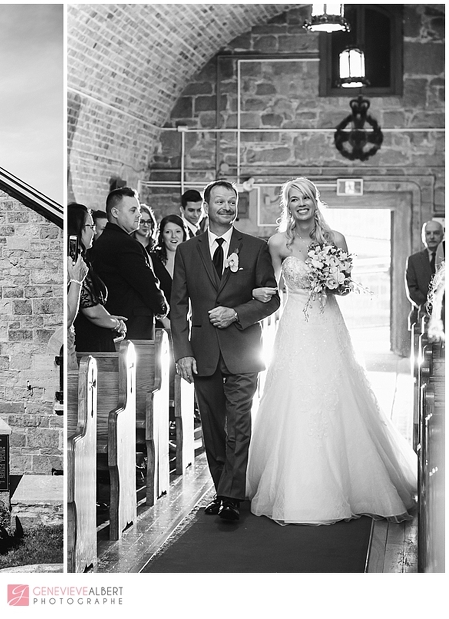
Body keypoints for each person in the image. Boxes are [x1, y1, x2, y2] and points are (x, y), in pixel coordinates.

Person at [247, 177, 417, 525]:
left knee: (336, 393)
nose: (301, 204)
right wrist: (259, 295)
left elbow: (344, 288)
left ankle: (352, 484)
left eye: (306, 197)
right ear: (288, 206)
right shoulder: (278, 243)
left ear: (315, 200)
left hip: (328, 324)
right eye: (294, 199)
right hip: (294, 326)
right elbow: (270, 286)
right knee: (294, 394)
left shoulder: (335, 239)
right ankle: (293, 486)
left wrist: (332, 277)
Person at [170, 180, 280, 522]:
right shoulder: (189, 251)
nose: (227, 207)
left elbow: (271, 298)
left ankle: (231, 496)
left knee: (240, 424)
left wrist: (237, 313)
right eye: (220, 201)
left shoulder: (255, 248)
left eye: (232, 202)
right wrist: (183, 353)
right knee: (214, 429)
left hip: (244, 349)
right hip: (203, 352)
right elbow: (177, 306)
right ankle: (223, 490)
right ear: (206, 206)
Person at [90, 187, 168, 340]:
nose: (138, 214)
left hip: (118, 322)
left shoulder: (105, 241)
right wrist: (162, 306)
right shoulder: (125, 244)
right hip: (132, 325)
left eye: (138, 209)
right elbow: (145, 281)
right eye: (133, 210)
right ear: (115, 213)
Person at [68, 202, 127, 352]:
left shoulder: (83, 259)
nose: (94, 232)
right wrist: (115, 323)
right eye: (90, 227)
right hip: (89, 340)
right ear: (77, 229)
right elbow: (91, 311)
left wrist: (111, 318)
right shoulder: (75, 263)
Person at [150, 214, 188, 329]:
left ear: (184, 234)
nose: (173, 236)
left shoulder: (193, 260)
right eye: (168, 232)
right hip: (161, 324)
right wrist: (165, 321)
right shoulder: (153, 259)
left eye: (177, 231)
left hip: (186, 324)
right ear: (162, 235)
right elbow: (148, 293)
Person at [405, 220, 444, 328]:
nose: (432, 237)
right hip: (420, 315)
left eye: (436, 233)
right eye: (428, 233)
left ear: (442, 235)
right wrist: (428, 304)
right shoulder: (414, 260)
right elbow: (412, 288)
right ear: (423, 236)